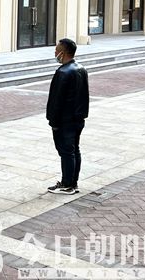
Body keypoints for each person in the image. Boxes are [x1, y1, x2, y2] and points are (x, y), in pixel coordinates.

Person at [46, 38, 89, 195]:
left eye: (57, 50)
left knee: (66, 152)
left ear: (63, 53)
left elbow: (56, 100)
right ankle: (72, 182)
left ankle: (67, 184)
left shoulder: (63, 72)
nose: (55, 53)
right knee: (74, 150)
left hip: (65, 120)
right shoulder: (81, 69)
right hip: (78, 118)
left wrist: (53, 121)